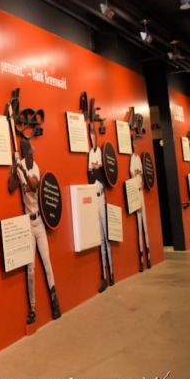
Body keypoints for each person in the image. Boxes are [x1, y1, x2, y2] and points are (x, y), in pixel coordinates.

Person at [8, 137, 60, 324]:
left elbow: (33, 185)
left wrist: (22, 170)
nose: (32, 154)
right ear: (25, 153)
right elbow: (11, 188)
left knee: (47, 262)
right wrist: (14, 171)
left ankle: (55, 303)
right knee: (30, 268)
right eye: (30, 152)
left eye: (32, 152)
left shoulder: (35, 167)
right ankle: (32, 308)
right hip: (27, 223)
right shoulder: (20, 165)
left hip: (39, 221)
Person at [87, 125, 113, 292]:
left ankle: (112, 272)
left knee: (106, 235)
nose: (92, 138)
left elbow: (103, 175)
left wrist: (97, 169)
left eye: (93, 135)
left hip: (102, 197)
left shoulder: (101, 153)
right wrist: (95, 170)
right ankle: (103, 273)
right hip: (94, 197)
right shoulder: (90, 153)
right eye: (90, 136)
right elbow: (90, 174)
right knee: (100, 239)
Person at [129, 137, 151, 272]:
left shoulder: (138, 158)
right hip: (135, 193)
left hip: (141, 191)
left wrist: (141, 180)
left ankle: (148, 254)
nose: (135, 145)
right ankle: (141, 258)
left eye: (135, 143)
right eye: (133, 143)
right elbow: (133, 174)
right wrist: (137, 175)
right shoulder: (132, 158)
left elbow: (141, 174)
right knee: (138, 225)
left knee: (145, 224)